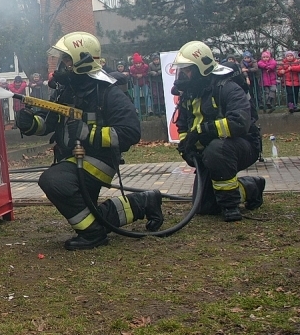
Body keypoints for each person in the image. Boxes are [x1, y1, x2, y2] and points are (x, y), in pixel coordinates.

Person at [15, 32, 162, 250]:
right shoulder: (66, 90)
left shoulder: (107, 91)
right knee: (92, 212)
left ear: (81, 61)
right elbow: (48, 123)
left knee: (54, 181)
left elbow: (130, 132)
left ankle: (93, 234)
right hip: (71, 160)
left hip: (98, 161)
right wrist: (29, 123)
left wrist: (87, 133)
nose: (61, 66)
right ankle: (143, 203)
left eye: (66, 60)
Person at [173, 40, 266, 222]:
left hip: (242, 146)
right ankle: (251, 187)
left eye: (187, 69)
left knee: (218, 148)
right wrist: (186, 145)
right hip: (211, 151)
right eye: (181, 70)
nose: (183, 74)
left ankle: (230, 206)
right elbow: (183, 125)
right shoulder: (189, 94)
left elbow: (240, 122)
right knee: (204, 206)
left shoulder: (227, 87)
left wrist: (204, 131)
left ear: (202, 69)